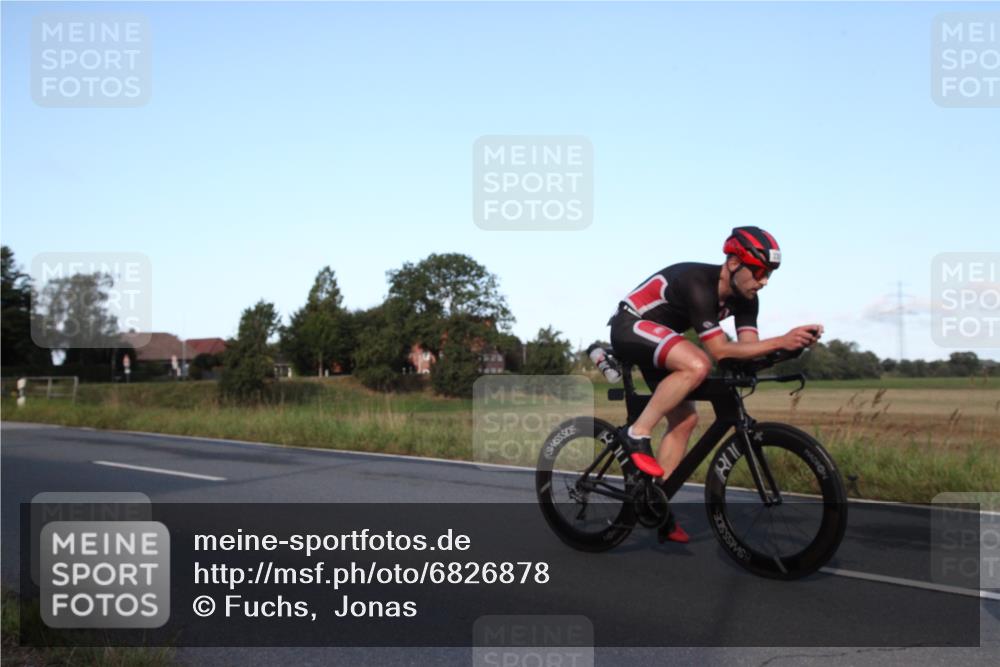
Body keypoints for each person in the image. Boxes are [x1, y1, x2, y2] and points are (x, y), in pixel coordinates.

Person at [608, 226, 823, 543]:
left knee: (685, 419)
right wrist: (781, 338)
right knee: (698, 364)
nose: (764, 281)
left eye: (769, 274)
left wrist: (787, 349)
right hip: (631, 327)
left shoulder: (748, 300)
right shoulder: (699, 283)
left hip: (664, 342)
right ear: (734, 263)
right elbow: (720, 350)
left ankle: (655, 503)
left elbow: (746, 353)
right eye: (760, 271)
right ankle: (636, 432)